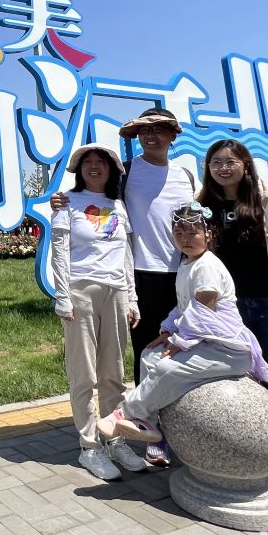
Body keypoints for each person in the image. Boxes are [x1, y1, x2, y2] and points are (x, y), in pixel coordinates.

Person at [96, 203, 268, 446]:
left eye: (192, 233)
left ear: (209, 234)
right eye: (178, 234)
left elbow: (203, 312)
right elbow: (183, 306)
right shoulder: (188, 263)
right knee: (149, 355)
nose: (185, 239)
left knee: (167, 368)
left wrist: (180, 341)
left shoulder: (207, 266)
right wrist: (168, 330)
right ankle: (147, 422)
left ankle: (126, 412)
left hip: (227, 350)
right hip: (206, 342)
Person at [52, 109, 195, 387]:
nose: (150, 136)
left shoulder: (186, 176)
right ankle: (147, 409)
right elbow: (93, 196)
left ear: (173, 135)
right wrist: (59, 201)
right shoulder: (125, 173)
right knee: (147, 349)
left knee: (183, 344)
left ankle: (181, 406)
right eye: (144, 131)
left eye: (158, 129)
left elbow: (199, 216)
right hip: (141, 273)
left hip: (182, 272)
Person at [197, 139, 268, 492]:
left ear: (245, 165)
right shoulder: (204, 205)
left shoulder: (264, 199)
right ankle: (239, 449)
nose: (223, 167)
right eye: (216, 162)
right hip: (227, 311)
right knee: (232, 382)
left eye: (230, 161)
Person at [50, 145, 147, 480]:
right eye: (88, 162)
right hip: (81, 290)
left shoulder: (118, 204)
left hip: (116, 291)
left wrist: (132, 297)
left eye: (101, 162)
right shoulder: (67, 202)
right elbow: (59, 252)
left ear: (111, 169)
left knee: (113, 373)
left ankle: (115, 439)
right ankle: (89, 447)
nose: (94, 166)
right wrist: (63, 297)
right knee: (84, 374)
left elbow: (126, 254)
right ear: (79, 169)